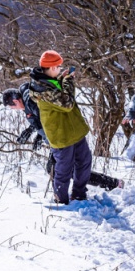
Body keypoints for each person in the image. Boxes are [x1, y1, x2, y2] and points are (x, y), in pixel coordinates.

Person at [2, 87, 124, 192]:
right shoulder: (27, 102)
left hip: (61, 138)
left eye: (11, 107)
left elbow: (46, 119)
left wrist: (37, 132)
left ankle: (103, 186)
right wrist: (35, 133)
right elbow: (39, 120)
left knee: (58, 169)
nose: (13, 109)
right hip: (58, 138)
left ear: (15, 101)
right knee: (65, 169)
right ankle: (110, 184)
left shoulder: (29, 101)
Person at [28, 50, 92, 204]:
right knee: (64, 170)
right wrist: (68, 80)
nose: (59, 68)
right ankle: (61, 200)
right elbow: (67, 103)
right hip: (60, 135)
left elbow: (63, 96)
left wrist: (63, 78)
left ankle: (79, 195)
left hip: (73, 131)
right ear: (51, 67)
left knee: (84, 162)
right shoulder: (42, 88)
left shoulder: (52, 80)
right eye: (57, 66)